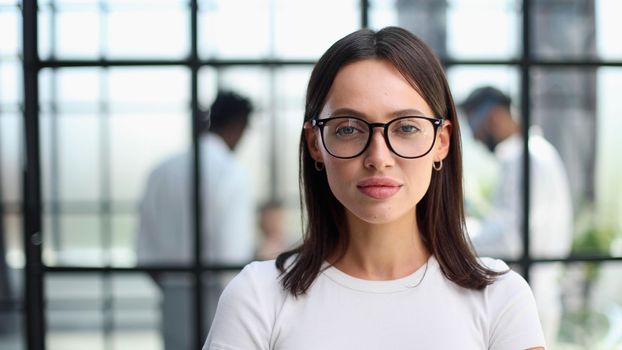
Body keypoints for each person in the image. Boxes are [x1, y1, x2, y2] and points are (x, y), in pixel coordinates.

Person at [203, 27, 545, 349]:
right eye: (349, 129)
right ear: (315, 143)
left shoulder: (501, 297)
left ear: (441, 142)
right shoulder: (259, 297)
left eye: (407, 128)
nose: (378, 157)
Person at [136, 91, 256, 350]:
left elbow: (144, 250)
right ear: (238, 127)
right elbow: (231, 254)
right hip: (219, 298)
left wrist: (173, 283)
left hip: (173, 294)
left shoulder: (162, 171)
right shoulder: (230, 173)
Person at [461, 86, 573, 345]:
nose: (475, 139)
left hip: (529, 294)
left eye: (473, 126)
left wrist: (453, 232)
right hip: (538, 292)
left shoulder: (525, 159)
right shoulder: (535, 153)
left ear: (494, 117)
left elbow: (511, 239)